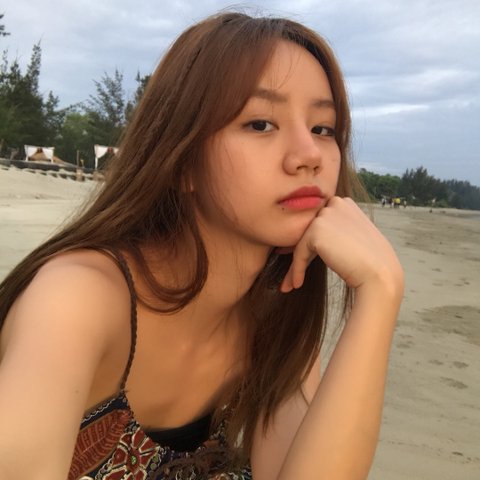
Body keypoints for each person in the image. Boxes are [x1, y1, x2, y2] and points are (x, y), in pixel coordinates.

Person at [0, 11, 404, 480]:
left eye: (323, 128)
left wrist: (379, 292)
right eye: (260, 124)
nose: (309, 155)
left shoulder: (275, 317)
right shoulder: (76, 300)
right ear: (182, 162)